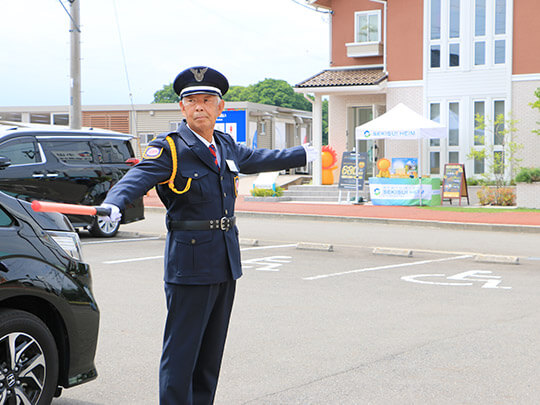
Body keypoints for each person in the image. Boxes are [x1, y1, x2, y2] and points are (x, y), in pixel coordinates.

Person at [100, 66, 316, 405]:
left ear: (220, 107)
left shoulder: (225, 145)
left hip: (225, 260)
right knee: (182, 353)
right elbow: (137, 177)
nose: (199, 106)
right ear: (182, 108)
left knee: (210, 354)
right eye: (192, 100)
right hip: (189, 263)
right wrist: (113, 204)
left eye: (207, 99)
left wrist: (303, 154)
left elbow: (258, 158)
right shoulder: (170, 149)